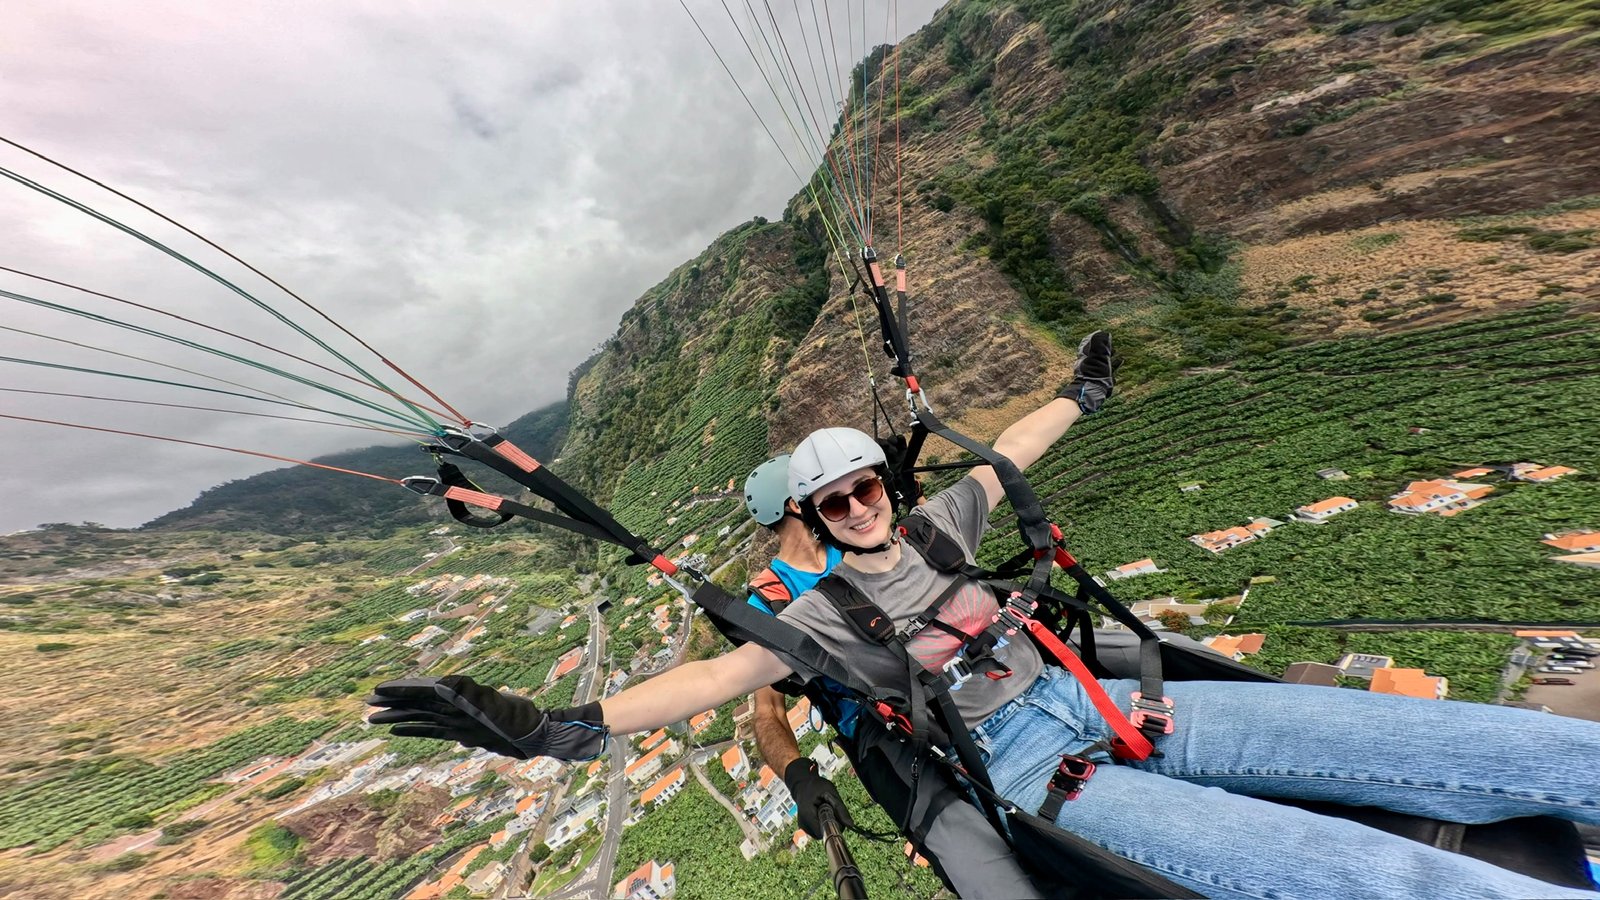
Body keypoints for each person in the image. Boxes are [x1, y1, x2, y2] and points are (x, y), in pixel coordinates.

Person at [370, 332, 1600, 900]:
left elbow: (1004, 452)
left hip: (1122, 703)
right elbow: (719, 686)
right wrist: (553, 728)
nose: (858, 507)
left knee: (1529, 755)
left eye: (869, 487)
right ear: (804, 513)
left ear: (885, 491)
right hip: (1049, 772)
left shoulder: (935, 530)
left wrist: (1079, 397)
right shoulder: (805, 619)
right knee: (1362, 878)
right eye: (831, 498)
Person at [741, 454, 1042, 898]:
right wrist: (796, 773)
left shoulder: (863, 538)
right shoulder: (770, 600)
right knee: (956, 835)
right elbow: (766, 708)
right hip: (874, 726)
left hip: (949, 673)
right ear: (795, 503)